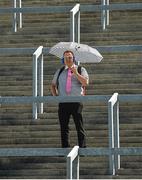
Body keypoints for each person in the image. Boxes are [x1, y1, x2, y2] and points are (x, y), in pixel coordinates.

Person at [51, 50, 89, 148]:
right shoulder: (60, 71)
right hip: (63, 102)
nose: (68, 59)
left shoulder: (81, 69)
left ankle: (83, 147)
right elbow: (53, 85)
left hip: (76, 101)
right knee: (64, 127)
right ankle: (65, 148)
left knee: (79, 125)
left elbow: (85, 83)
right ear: (63, 59)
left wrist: (75, 73)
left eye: (70, 57)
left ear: (74, 59)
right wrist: (55, 96)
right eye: (66, 57)